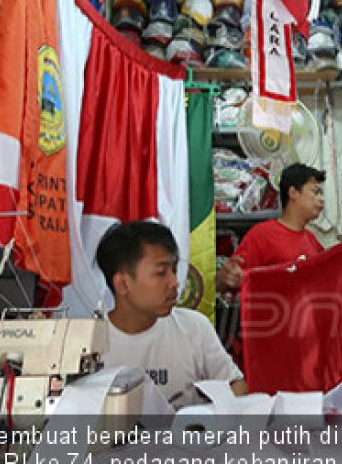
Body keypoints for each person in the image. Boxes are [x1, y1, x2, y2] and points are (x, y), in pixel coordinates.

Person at [96, 220, 248, 409]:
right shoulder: (87, 341)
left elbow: (237, 385)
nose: (174, 282)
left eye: (174, 271)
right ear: (123, 284)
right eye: (161, 273)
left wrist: (207, 418)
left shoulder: (194, 327)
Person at [218, 163, 325, 291]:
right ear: (293, 192)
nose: (321, 199)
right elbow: (228, 279)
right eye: (315, 192)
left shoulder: (312, 241)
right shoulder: (261, 235)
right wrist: (225, 278)